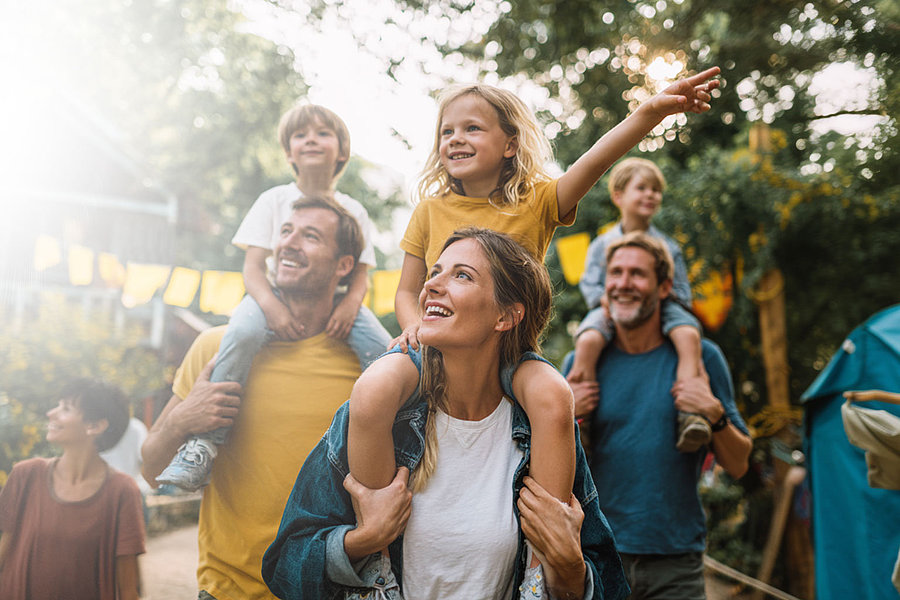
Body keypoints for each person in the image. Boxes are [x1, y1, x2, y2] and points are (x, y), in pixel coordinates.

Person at [364, 68, 720, 569]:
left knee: (555, 397)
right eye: (447, 130)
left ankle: (541, 562)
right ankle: (372, 547)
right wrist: (414, 331)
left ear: (510, 144)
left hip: (509, 355)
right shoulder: (430, 210)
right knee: (374, 387)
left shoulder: (537, 202)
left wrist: (651, 112)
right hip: (436, 350)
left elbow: (600, 158)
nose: (455, 139)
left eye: (471, 128)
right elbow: (407, 290)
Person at [262, 228, 629, 600]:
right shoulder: (384, 414)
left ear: (505, 316)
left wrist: (569, 568)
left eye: (462, 275)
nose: (432, 285)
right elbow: (283, 568)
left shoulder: (541, 428)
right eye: (434, 272)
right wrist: (362, 541)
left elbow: (610, 586)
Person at [142, 196, 367, 600]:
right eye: (286, 232)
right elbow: (149, 468)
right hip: (227, 590)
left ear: (344, 265)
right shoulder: (217, 347)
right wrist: (182, 420)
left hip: (323, 588)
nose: (289, 243)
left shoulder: (368, 372)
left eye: (310, 236)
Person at [157, 103, 390, 491]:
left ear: (342, 151)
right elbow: (253, 268)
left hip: (336, 301)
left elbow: (361, 274)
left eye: (322, 133)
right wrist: (271, 308)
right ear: (288, 153)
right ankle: (204, 443)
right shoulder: (273, 200)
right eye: (300, 135)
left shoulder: (354, 210)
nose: (311, 140)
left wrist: (350, 306)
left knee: (387, 356)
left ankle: (391, 440)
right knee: (243, 333)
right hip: (270, 293)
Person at [567, 232, 752, 600]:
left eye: (637, 274)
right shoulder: (579, 367)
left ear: (665, 286)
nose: (623, 283)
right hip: (597, 560)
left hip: (676, 564)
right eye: (615, 273)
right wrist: (565, 418)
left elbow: (740, 464)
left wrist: (714, 414)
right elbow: (548, 467)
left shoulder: (704, 360)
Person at [567, 157, 711, 453]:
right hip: (607, 306)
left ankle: (690, 415)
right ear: (619, 196)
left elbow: (681, 289)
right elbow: (589, 282)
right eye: (642, 188)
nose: (650, 195)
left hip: (662, 305)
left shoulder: (669, 247)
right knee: (588, 340)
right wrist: (604, 299)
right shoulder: (601, 244)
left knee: (688, 335)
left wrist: (659, 300)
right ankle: (581, 418)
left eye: (656, 190)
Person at [0, 379, 146, 600]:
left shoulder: (121, 491)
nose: (51, 413)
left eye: (66, 408)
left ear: (95, 426)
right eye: (57, 405)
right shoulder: (25, 475)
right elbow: (3, 549)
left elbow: (128, 589)